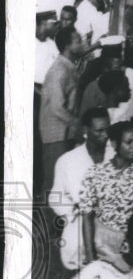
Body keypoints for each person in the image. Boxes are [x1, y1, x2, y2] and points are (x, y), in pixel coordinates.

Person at [79, 120, 133, 268]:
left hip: (130, 248)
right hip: (100, 244)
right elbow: (86, 216)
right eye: (129, 142)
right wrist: (91, 258)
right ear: (115, 145)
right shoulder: (96, 172)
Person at [49, 107, 111, 271]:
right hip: (81, 221)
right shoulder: (68, 160)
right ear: (86, 131)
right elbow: (56, 197)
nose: (105, 135)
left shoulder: (115, 155)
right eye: (99, 131)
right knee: (76, 247)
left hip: (112, 221)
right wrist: (72, 209)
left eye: (108, 130)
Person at [39, 27, 88, 192]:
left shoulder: (68, 67)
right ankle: (46, 217)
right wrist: (78, 124)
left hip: (65, 133)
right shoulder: (59, 70)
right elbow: (57, 108)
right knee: (54, 184)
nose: (82, 43)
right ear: (68, 46)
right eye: (78, 41)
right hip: (56, 136)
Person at [34, 11, 59, 90]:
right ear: (44, 23)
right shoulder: (29, 43)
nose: (57, 27)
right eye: (54, 24)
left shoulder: (52, 44)